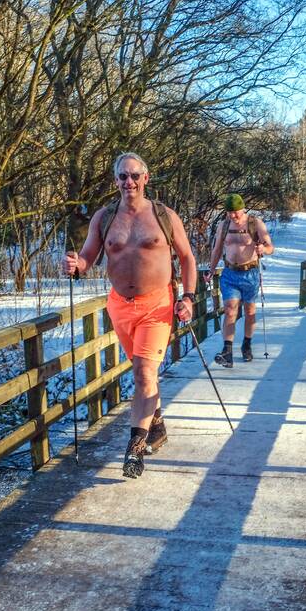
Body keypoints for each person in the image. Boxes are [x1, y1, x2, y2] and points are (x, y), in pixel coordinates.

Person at [62, 153, 198, 479]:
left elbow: (187, 258)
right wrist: (76, 266)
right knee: (143, 373)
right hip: (120, 306)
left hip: (157, 305)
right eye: (123, 176)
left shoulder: (164, 216)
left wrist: (189, 298)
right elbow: (89, 257)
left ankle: (135, 449)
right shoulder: (105, 217)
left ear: (146, 178)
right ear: (116, 181)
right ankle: (157, 424)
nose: (129, 182)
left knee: (143, 372)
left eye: (135, 175)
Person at [205, 193, 274, 367]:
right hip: (230, 273)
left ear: (243, 208)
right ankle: (227, 351)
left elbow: (270, 246)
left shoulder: (255, 223)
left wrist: (263, 249)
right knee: (230, 310)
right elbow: (217, 249)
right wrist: (211, 270)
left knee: (250, 311)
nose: (232, 215)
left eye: (235, 212)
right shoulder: (224, 225)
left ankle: (246, 344)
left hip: (250, 274)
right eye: (229, 212)